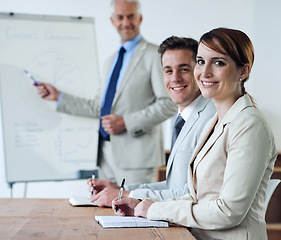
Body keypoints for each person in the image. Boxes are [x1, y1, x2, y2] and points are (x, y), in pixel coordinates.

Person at [112, 27, 277, 240]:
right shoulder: (215, 122)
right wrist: (142, 206)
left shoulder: (250, 125)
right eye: (200, 61)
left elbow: (228, 211)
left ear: (243, 71)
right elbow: (196, 195)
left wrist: (154, 210)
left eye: (218, 62)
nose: (204, 72)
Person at [35, 0, 177, 185]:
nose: (126, 22)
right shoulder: (109, 62)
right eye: (120, 17)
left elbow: (169, 103)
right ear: (112, 21)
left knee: (135, 211)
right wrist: (58, 96)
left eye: (130, 16)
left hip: (137, 159)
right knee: (103, 211)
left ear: (140, 18)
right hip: (104, 156)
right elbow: (98, 107)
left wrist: (126, 122)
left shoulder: (155, 54)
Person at [87, 36, 216, 207]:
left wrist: (125, 194)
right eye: (168, 71)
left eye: (184, 69)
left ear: (198, 70)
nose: (175, 78)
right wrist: (120, 188)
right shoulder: (183, 119)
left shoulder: (211, 118)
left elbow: (191, 193)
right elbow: (173, 187)